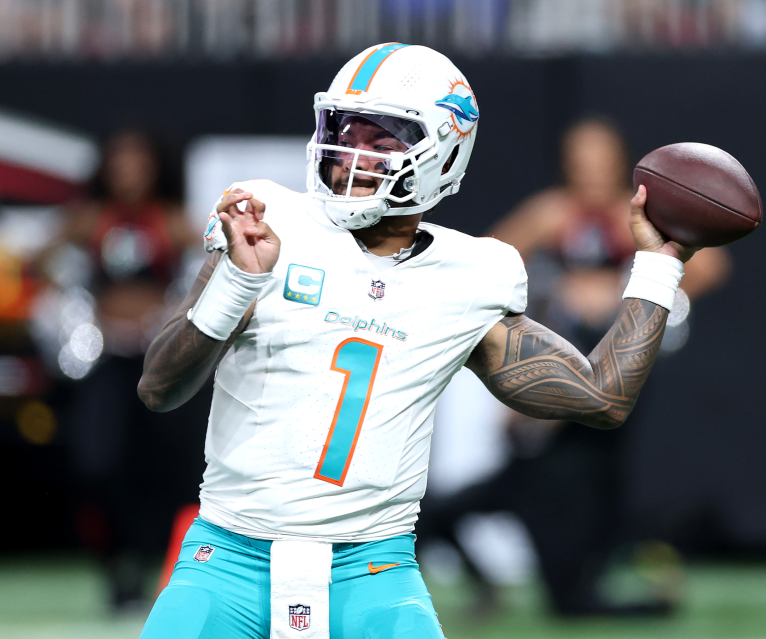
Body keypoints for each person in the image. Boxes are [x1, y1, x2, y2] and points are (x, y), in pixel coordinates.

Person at [136, 44, 699, 639]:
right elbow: (158, 388)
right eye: (344, 131)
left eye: (381, 141)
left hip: (372, 569)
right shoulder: (269, 222)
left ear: (442, 155)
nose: (351, 153)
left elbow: (603, 397)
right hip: (228, 557)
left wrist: (657, 266)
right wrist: (236, 282)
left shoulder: (470, 275)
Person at [418, 118, 731, 616]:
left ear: (620, 165)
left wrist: (628, 295)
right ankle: (608, 580)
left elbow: (709, 267)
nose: (589, 172)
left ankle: (626, 572)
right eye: (579, 160)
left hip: (612, 372)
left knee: (593, 488)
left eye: (599, 160)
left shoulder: (641, 220)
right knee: (526, 499)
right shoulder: (553, 213)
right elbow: (479, 263)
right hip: (557, 374)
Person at [46, 131, 200, 609]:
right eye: (120, 162)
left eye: (138, 161)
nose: (128, 171)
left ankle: (166, 569)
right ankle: (115, 567)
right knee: (96, 465)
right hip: (107, 360)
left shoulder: (173, 222)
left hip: (159, 362)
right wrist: (72, 305)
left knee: (170, 471)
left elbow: (220, 259)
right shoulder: (89, 220)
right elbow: (36, 260)